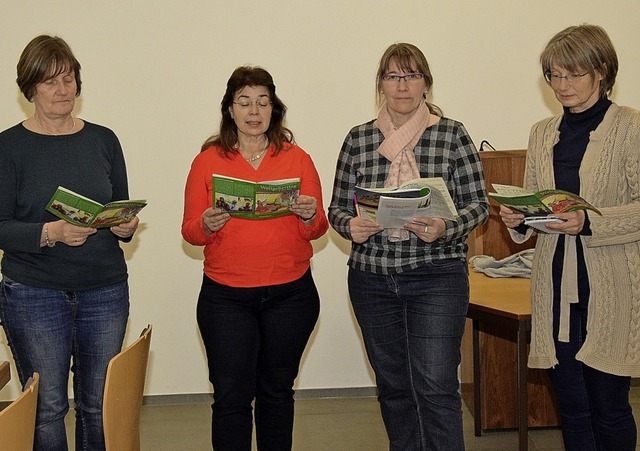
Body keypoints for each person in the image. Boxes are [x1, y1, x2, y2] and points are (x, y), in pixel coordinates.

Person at [328, 43, 488, 451]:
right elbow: (337, 209)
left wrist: (444, 226)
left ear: (426, 84)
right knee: (394, 387)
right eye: (393, 76)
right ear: (380, 83)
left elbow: (479, 206)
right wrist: (353, 227)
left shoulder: (452, 133)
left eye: (412, 75)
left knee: (435, 385)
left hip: (437, 275)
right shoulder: (359, 138)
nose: (402, 86)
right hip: (372, 278)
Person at [498, 24, 640, 450]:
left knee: (609, 407)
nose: (562, 85)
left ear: (601, 71)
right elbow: (538, 206)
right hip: (554, 287)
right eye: (554, 75)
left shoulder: (631, 127)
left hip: (610, 287)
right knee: (573, 408)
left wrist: (589, 221)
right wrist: (520, 218)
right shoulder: (542, 132)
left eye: (573, 74)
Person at [0, 35, 140, 451]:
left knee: (99, 406)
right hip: (33, 292)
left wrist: (124, 226)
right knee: (47, 408)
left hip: (105, 288)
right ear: (30, 89)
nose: (62, 90)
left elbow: (121, 208)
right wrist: (50, 233)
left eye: (69, 79)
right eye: (49, 82)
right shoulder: (8, 147)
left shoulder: (103, 139)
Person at [181, 65, 328, 451]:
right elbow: (190, 232)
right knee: (230, 399)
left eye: (263, 102)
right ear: (230, 109)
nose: (254, 110)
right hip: (226, 297)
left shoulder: (297, 158)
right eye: (244, 102)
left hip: (290, 295)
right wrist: (208, 224)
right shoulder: (207, 161)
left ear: (274, 109)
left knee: (277, 393)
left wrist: (311, 214)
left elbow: (318, 229)